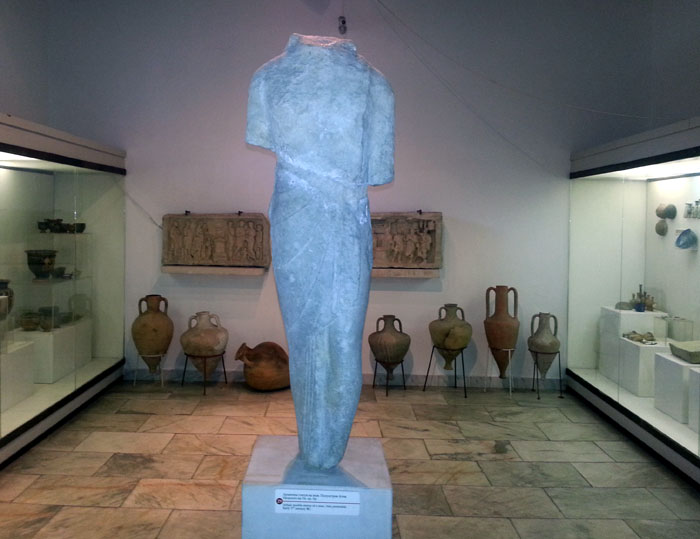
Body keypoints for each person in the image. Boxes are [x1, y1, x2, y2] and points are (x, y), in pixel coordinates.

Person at [246, 33, 394, 469]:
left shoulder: (374, 83)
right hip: (307, 216)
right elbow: (378, 168)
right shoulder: (268, 78)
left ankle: (325, 449)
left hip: (339, 217)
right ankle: (317, 447)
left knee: (339, 335)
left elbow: (378, 168)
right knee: (311, 332)